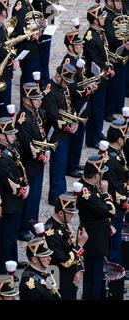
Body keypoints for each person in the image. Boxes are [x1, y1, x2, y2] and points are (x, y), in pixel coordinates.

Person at [0, 117, 29, 275]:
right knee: (6, 234)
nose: (13, 136)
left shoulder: (11, 147)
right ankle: (4, 267)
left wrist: (25, 185)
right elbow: (7, 179)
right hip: (8, 197)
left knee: (12, 232)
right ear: (1, 136)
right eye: (10, 133)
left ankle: (12, 260)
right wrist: (21, 189)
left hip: (16, 196)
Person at [76, 155, 115, 300]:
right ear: (96, 175)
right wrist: (105, 193)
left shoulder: (91, 186)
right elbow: (109, 210)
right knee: (93, 279)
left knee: (95, 277)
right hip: (93, 239)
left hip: (98, 235)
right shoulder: (86, 193)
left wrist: (108, 224)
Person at [15, 82, 48, 240]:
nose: (39, 101)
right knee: (29, 198)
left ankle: (32, 222)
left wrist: (45, 150)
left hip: (38, 163)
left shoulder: (36, 112)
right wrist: (40, 155)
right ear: (26, 100)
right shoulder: (23, 119)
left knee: (35, 196)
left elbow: (42, 134)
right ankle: (23, 227)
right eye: (35, 99)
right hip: (29, 163)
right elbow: (27, 144)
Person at [44, 63, 77, 205]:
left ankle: (61, 191)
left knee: (62, 164)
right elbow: (53, 115)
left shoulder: (63, 87)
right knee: (58, 165)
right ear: (58, 76)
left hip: (65, 132)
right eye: (65, 81)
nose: (67, 85)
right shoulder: (50, 92)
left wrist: (74, 120)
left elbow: (70, 105)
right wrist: (67, 126)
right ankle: (56, 196)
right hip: (56, 133)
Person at [83, 4, 115, 149]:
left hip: (103, 76)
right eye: (101, 16)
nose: (103, 18)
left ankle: (97, 132)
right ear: (95, 19)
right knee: (95, 109)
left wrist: (110, 66)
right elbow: (94, 58)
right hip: (96, 77)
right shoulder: (90, 37)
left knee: (100, 107)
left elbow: (105, 53)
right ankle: (92, 138)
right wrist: (106, 68)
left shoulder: (100, 32)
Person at [63, 29, 93, 178]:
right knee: (76, 137)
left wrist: (89, 84)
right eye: (77, 44)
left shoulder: (76, 60)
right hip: (75, 104)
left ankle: (75, 162)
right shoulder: (68, 62)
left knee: (80, 136)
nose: (81, 46)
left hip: (81, 102)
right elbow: (70, 85)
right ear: (70, 47)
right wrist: (85, 90)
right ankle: (71, 166)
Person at [45, 193, 87, 300]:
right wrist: (81, 244)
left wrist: (79, 269)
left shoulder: (64, 224)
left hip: (69, 276)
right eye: (70, 213)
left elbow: (72, 246)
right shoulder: (51, 232)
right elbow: (64, 261)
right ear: (60, 213)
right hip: (57, 277)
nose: (73, 216)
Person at [102, 119, 129, 265]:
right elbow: (113, 185)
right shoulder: (111, 159)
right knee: (115, 238)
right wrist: (124, 200)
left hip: (117, 199)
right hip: (114, 205)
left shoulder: (115, 154)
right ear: (119, 139)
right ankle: (115, 266)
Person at [0, 0, 18, 121]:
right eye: (6, 9)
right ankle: (1, 127)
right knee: (3, 101)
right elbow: (0, 50)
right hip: (1, 69)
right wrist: (12, 60)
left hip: (4, 68)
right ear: (3, 11)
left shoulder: (0, 25)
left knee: (3, 100)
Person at [11, 0, 41, 102]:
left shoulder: (28, 4)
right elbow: (19, 27)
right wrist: (32, 35)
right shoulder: (20, 5)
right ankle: (27, 106)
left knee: (32, 79)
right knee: (28, 80)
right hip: (26, 50)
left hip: (33, 49)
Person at [103, 0, 128, 122]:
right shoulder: (106, 16)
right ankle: (109, 111)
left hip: (122, 54)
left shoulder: (118, 12)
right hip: (113, 56)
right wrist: (123, 43)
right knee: (113, 85)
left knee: (120, 84)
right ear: (109, 2)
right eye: (117, 1)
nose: (120, 3)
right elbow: (110, 38)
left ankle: (118, 106)